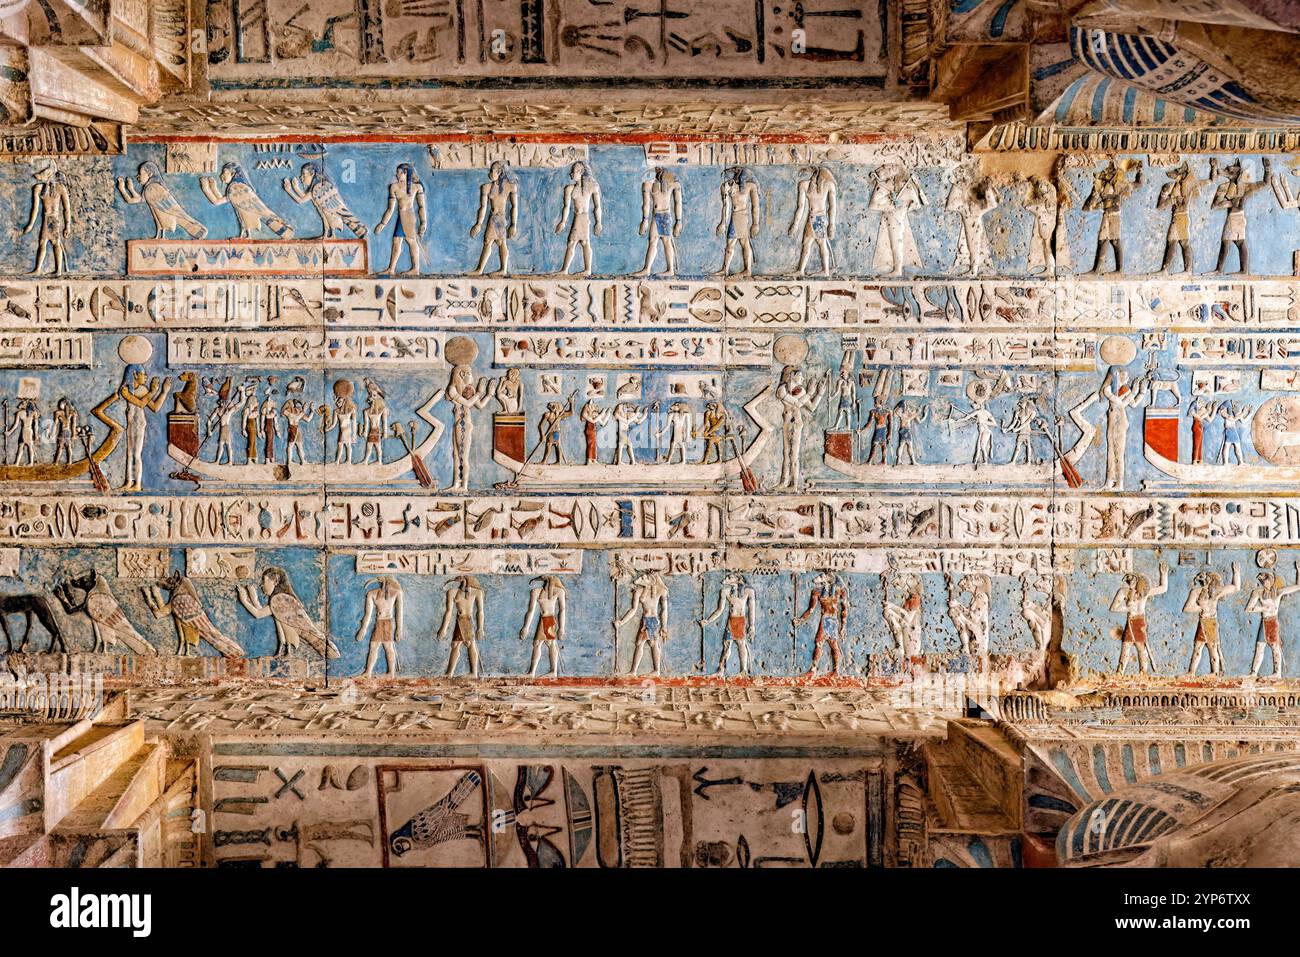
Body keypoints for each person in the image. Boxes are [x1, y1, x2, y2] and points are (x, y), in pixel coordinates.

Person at [117, 365, 170, 491]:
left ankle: (138, 484)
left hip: (139, 423)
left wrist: (164, 392)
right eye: (143, 374)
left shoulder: (143, 390)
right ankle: (129, 482)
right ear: (135, 374)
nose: (146, 377)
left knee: (136, 454)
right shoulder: (125, 390)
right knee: (129, 454)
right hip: (131, 424)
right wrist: (152, 391)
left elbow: (155, 408)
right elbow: (140, 403)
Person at [1185, 565, 1240, 676]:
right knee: (1198, 647)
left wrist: (1236, 573)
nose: (1204, 580)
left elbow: (1236, 587)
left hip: (1211, 622)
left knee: (1213, 647)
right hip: (1203, 620)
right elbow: (1187, 608)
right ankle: (1191, 672)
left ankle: (1214, 673)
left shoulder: (1216, 591)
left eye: (1206, 578)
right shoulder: (1196, 592)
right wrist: (1201, 608)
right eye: (1202, 578)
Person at [1246, 564, 1300, 678]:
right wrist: (1261, 608)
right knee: (1259, 647)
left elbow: (1298, 586)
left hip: (1273, 622)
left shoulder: (1278, 592)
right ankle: (1253, 672)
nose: (1265, 583)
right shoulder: (1258, 593)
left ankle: (1277, 672)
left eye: (1267, 580)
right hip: (1264, 621)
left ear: (1271, 581)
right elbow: (1248, 609)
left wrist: (1298, 571)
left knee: (1275, 647)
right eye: (1263, 581)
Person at [1112, 565, 1168, 675]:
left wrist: (1163, 574)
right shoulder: (1123, 592)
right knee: (1126, 647)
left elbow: (1163, 588)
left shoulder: (1144, 591)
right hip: (1131, 620)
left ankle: (1143, 673)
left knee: (1141, 648)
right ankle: (1120, 672)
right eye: (1127, 578)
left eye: (1132, 578)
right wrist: (1127, 607)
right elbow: (1114, 608)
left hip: (1140, 621)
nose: (1130, 581)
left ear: (1137, 579)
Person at [699, 573, 755, 677]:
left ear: (738, 579)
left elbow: (751, 610)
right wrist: (708, 621)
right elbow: (719, 610)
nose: (726, 579)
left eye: (730, 577)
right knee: (726, 646)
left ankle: (743, 670)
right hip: (731, 621)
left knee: (741, 645)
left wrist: (752, 626)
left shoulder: (748, 591)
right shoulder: (725, 591)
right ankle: (721, 670)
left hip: (740, 621)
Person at [375, 163, 427, 275]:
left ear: (405, 173)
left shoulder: (416, 187)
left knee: (411, 241)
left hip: (409, 216)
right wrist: (382, 224)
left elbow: (421, 207)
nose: (397, 174)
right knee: (396, 241)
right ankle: (391, 269)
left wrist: (423, 222)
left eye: (399, 172)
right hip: (400, 217)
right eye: (397, 172)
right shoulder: (393, 187)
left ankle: (415, 269)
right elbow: (390, 209)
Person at [795, 571, 848, 677]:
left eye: (823, 577)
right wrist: (800, 620)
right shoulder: (817, 592)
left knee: (831, 644)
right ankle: (815, 670)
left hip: (831, 620)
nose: (820, 579)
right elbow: (811, 610)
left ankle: (835, 670)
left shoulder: (839, 591)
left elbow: (844, 609)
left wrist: (843, 626)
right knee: (821, 643)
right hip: (826, 619)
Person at [555, 161, 602, 276]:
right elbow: (566, 207)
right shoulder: (569, 189)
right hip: (577, 218)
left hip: (584, 218)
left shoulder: (592, 186)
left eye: (573, 172)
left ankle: (582, 270)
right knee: (579, 242)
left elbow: (597, 207)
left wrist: (599, 222)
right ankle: (568, 270)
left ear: (581, 172)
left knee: (579, 242)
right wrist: (563, 222)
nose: (571, 174)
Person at [437, 576, 486, 678]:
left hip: (466, 620)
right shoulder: (452, 592)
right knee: (457, 645)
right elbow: (449, 611)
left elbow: (480, 612)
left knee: (468, 644)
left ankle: (473, 672)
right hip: (460, 620)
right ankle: (450, 673)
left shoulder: (477, 592)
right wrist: (444, 628)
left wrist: (480, 628)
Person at [355, 576, 404, 678]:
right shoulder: (371, 594)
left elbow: (399, 613)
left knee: (388, 646)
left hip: (387, 623)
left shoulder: (396, 593)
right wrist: (363, 629)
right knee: (374, 646)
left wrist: (399, 629)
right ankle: (368, 672)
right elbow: (368, 614)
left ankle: (391, 673)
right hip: (379, 622)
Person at [518, 576, 566, 678]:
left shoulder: (559, 591)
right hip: (543, 619)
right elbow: (530, 611)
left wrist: (562, 628)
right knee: (541, 644)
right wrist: (526, 627)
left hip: (549, 619)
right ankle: (534, 672)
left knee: (547, 644)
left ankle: (550, 671)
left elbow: (562, 610)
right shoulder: (536, 591)